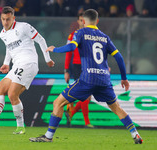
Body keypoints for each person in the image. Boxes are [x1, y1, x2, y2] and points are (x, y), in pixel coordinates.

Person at [29, 9, 143, 144]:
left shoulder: (81, 32)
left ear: (83, 21)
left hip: (87, 79)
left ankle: (48, 136)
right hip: (104, 79)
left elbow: (71, 47)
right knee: (117, 107)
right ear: (97, 21)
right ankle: (135, 134)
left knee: (57, 103)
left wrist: (55, 49)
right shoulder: (105, 37)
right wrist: (124, 78)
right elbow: (119, 57)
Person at [0, 6, 54, 134]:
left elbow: (41, 40)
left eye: (8, 19)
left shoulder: (24, 26)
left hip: (29, 63)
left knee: (12, 94)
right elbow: (9, 48)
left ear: (13, 18)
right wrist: (6, 63)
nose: (5, 22)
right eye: (3, 19)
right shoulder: (2, 34)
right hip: (16, 65)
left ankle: (20, 127)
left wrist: (47, 59)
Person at [64, 13, 93, 128]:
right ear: (78, 22)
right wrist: (66, 70)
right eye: (81, 20)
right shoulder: (73, 35)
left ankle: (71, 113)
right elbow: (68, 53)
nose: (83, 22)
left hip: (89, 66)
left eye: (84, 20)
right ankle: (87, 122)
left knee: (88, 97)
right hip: (77, 66)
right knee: (86, 95)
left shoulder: (91, 35)